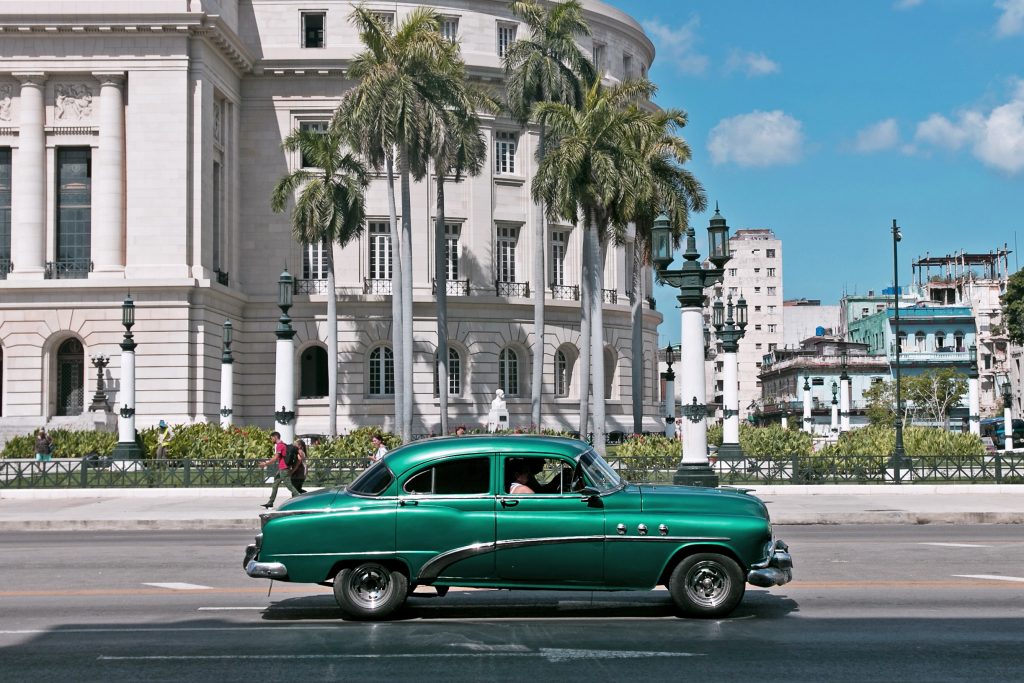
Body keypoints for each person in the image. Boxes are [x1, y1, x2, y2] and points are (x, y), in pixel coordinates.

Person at [259, 431, 299, 508]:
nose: (271, 440)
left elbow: (275, 458)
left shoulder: (280, 445)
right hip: (282, 469)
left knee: (289, 486)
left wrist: (265, 464)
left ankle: (300, 499)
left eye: (272, 438)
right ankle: (270, 502)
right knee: (275, 484)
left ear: (275, 437)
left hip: (284, 469)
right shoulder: (283, 444)